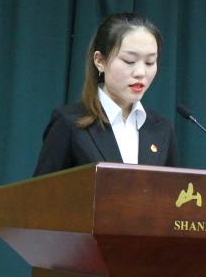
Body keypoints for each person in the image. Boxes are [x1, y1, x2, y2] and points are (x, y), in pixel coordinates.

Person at [33, 12, 180, 176]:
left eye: (150, 62)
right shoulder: (69, 123)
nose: (140, 72)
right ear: (99, 61)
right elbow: (42, 190)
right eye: (129, 61)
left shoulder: (162, 129)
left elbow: (172, 190)